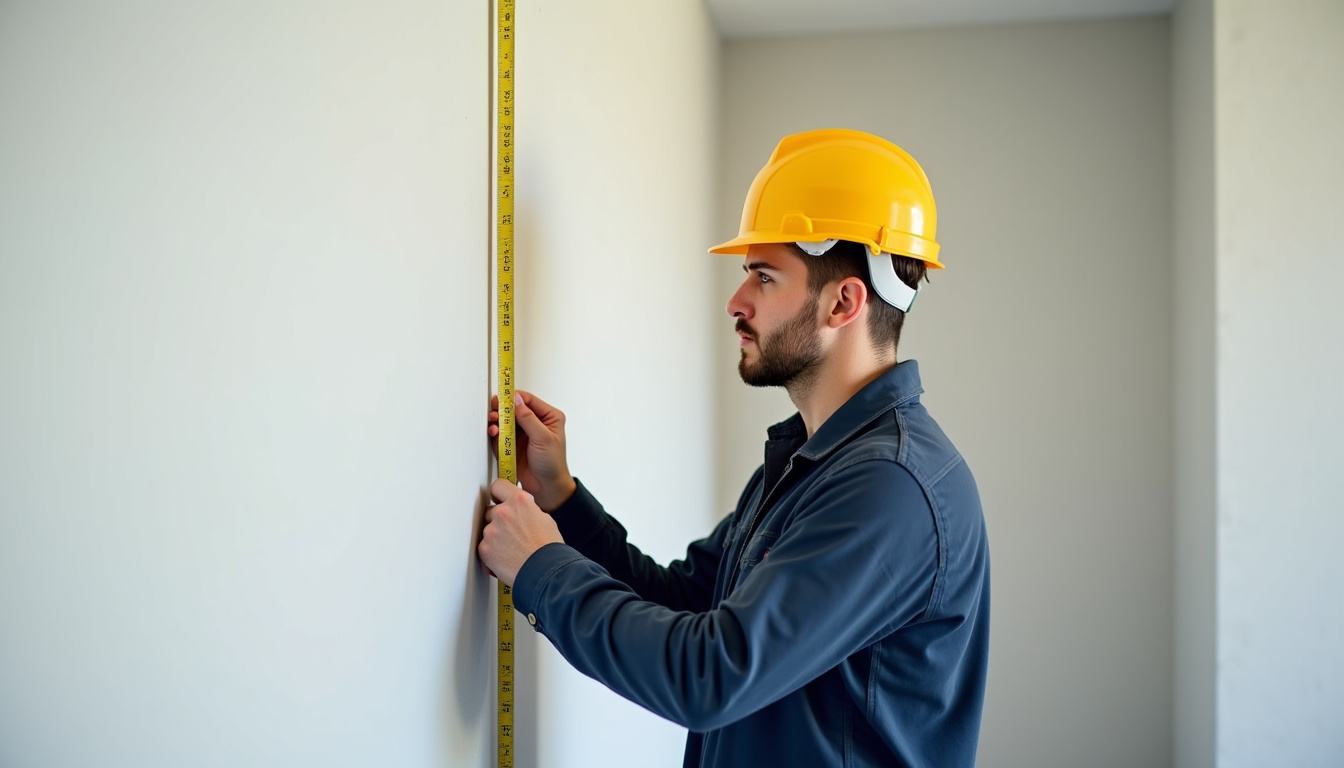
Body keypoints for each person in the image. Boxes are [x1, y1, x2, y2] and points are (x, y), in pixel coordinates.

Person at [479, 128, 990, 768]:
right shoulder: (815, 462)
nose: (735, 301)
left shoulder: (890, 487)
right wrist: (560, 501)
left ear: (843, 302)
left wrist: (540, 568)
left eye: (763, 276)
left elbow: (709, 674)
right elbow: (688, 602)